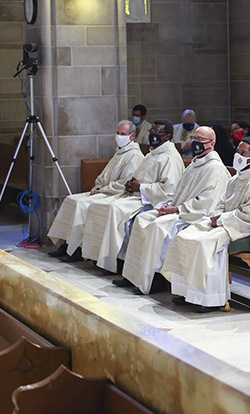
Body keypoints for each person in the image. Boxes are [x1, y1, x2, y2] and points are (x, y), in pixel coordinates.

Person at [162, 137, 250, 312]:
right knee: (186, 235)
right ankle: (187, 293)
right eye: (238, 151)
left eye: (243, 153)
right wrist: (215, 216)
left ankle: (211, 299)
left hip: (245, 230)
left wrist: (222, 220)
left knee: (204, 244)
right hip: (226, 223)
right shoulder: (237, 178)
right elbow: (222, 203)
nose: (237, 155)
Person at [120, 126, 231, 294]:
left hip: (195, 216)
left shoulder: (215, 168)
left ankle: (157, 279)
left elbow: (205, 204)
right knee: (143, 219)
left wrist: (175, 209)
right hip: (180, 210)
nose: (196, 143)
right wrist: (167, 205)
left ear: (212, 143)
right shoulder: (195, 164)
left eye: (201, 140)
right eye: (194, 138)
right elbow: (179, 192)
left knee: (158, 227)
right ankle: (136, 275)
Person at [81, 120, 184, 273]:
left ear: (167, 136)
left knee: (115, 210)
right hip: (137, 196)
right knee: (103, 207)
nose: (153, 135)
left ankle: (116, 262)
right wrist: (132, 184)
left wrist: (140, 187)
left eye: (157, 132)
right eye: (152, 132)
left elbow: (168, 190)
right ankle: (104, 258)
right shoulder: (153, 153)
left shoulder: (170, 157)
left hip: (152, 201)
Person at [47, 120, 144, 262]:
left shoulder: (134, 155)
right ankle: (66, 244)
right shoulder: (121, 152)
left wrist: (102, 190)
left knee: (82, 205)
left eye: (122, 134)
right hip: (104, 191)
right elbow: (104, 175)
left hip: (116, 194)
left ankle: (76, 250)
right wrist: (97, 187)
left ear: (132, 136)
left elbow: (125, 183)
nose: (118, 136)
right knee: (71, 200)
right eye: (117, 133)